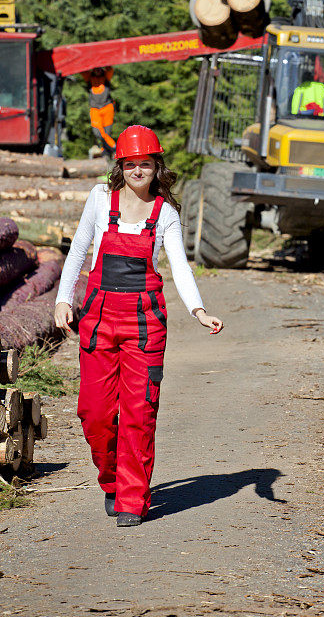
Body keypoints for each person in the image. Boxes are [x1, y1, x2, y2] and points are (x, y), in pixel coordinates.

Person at [54, 125, 222, 527]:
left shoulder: (165, 213)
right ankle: (112, 480)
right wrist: (63, 298)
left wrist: (198, 310)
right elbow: (79, 249)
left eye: (145, 164)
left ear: (155, 167)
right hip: (98, 319)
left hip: (145, 324)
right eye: (131, 164)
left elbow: (179, 266)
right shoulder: (99, 199)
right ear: (121, 167)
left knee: (138, 413)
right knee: (93, 413)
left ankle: (132, 498)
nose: (138, 171)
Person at [82, 66, 116, 158]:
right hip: (95, 109)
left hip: (107, 107)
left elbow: (110, 70)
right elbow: (82, 71)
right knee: (97, 132)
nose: (97, 70)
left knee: (107, 133)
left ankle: (106, 152)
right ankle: (114, 148)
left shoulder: (106, 77)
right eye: (95, 69)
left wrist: (104, 63)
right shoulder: (89, 78)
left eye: (99, 68)